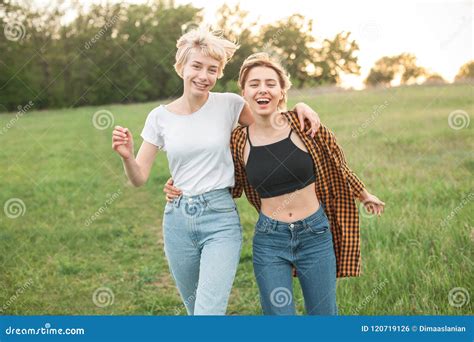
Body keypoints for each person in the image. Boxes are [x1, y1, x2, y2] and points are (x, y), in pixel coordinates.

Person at [112, 28, 321, 315]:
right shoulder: (158, 118)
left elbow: (271, 122)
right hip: (177, 220)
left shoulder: (230, 104)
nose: (204, 76)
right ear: (181, 67)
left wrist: (299, 105)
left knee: (207, 314)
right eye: (196, 66)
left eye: (212, 69)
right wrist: (126, 156)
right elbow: (138, 178)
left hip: (220, 217)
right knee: (194, 310)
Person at [166, 52, 385, 315]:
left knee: (324, 314)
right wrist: (180, 185)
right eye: (254, 84)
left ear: (282, 91)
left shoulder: (306, 127)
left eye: (270, 83)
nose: (263, 90)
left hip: (315, 234)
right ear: (244, 93)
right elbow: (217, 176)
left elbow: (338, 165)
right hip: (270, 240)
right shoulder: (238, 140)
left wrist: (364, 194)